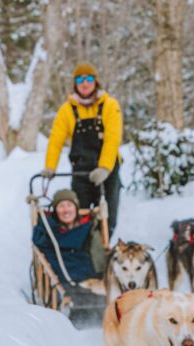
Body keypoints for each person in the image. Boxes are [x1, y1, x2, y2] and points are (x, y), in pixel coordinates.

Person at [42, 63, 123, 236]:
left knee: (108, 218)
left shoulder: (110, 105)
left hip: (108, 172)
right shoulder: (67, 110)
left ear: (95, 82)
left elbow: (112, 139)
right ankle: (83, 255)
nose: (84, 83)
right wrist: (50, 166)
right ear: (75, 84)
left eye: (89, 79)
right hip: (80, 171)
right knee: (79, 216)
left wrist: (104, 168)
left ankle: (102, 250)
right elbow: (56, 140)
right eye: (80, 79)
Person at [32, 189, 106, 284]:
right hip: (64, 280)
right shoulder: (48, 229)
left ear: (76, 208)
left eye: (69, 205)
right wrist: (35, 206)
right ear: (55, 211)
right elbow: (39, 241)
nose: (66, 210)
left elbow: (97, 254)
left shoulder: (88, 229)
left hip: (90, 278)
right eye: (61, 206)